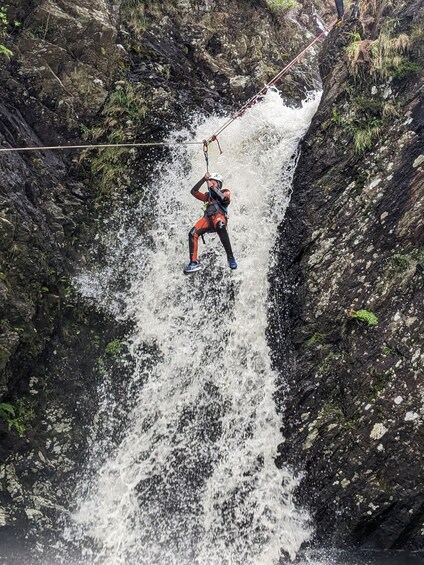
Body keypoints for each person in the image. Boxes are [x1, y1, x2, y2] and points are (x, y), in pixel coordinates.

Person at [184, 172, 237, 274]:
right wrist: (203, 179)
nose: (211, 184)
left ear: (219, 184)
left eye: (214, 182)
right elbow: (194, 191)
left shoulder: (226, 192)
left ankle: (230, 257)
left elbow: (224, 199)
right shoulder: (207, 197)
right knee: (192, 233)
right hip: (207, 220)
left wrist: (213, 188)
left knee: (221, 226)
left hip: (219, 217)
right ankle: (193, 263)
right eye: (210, 182)